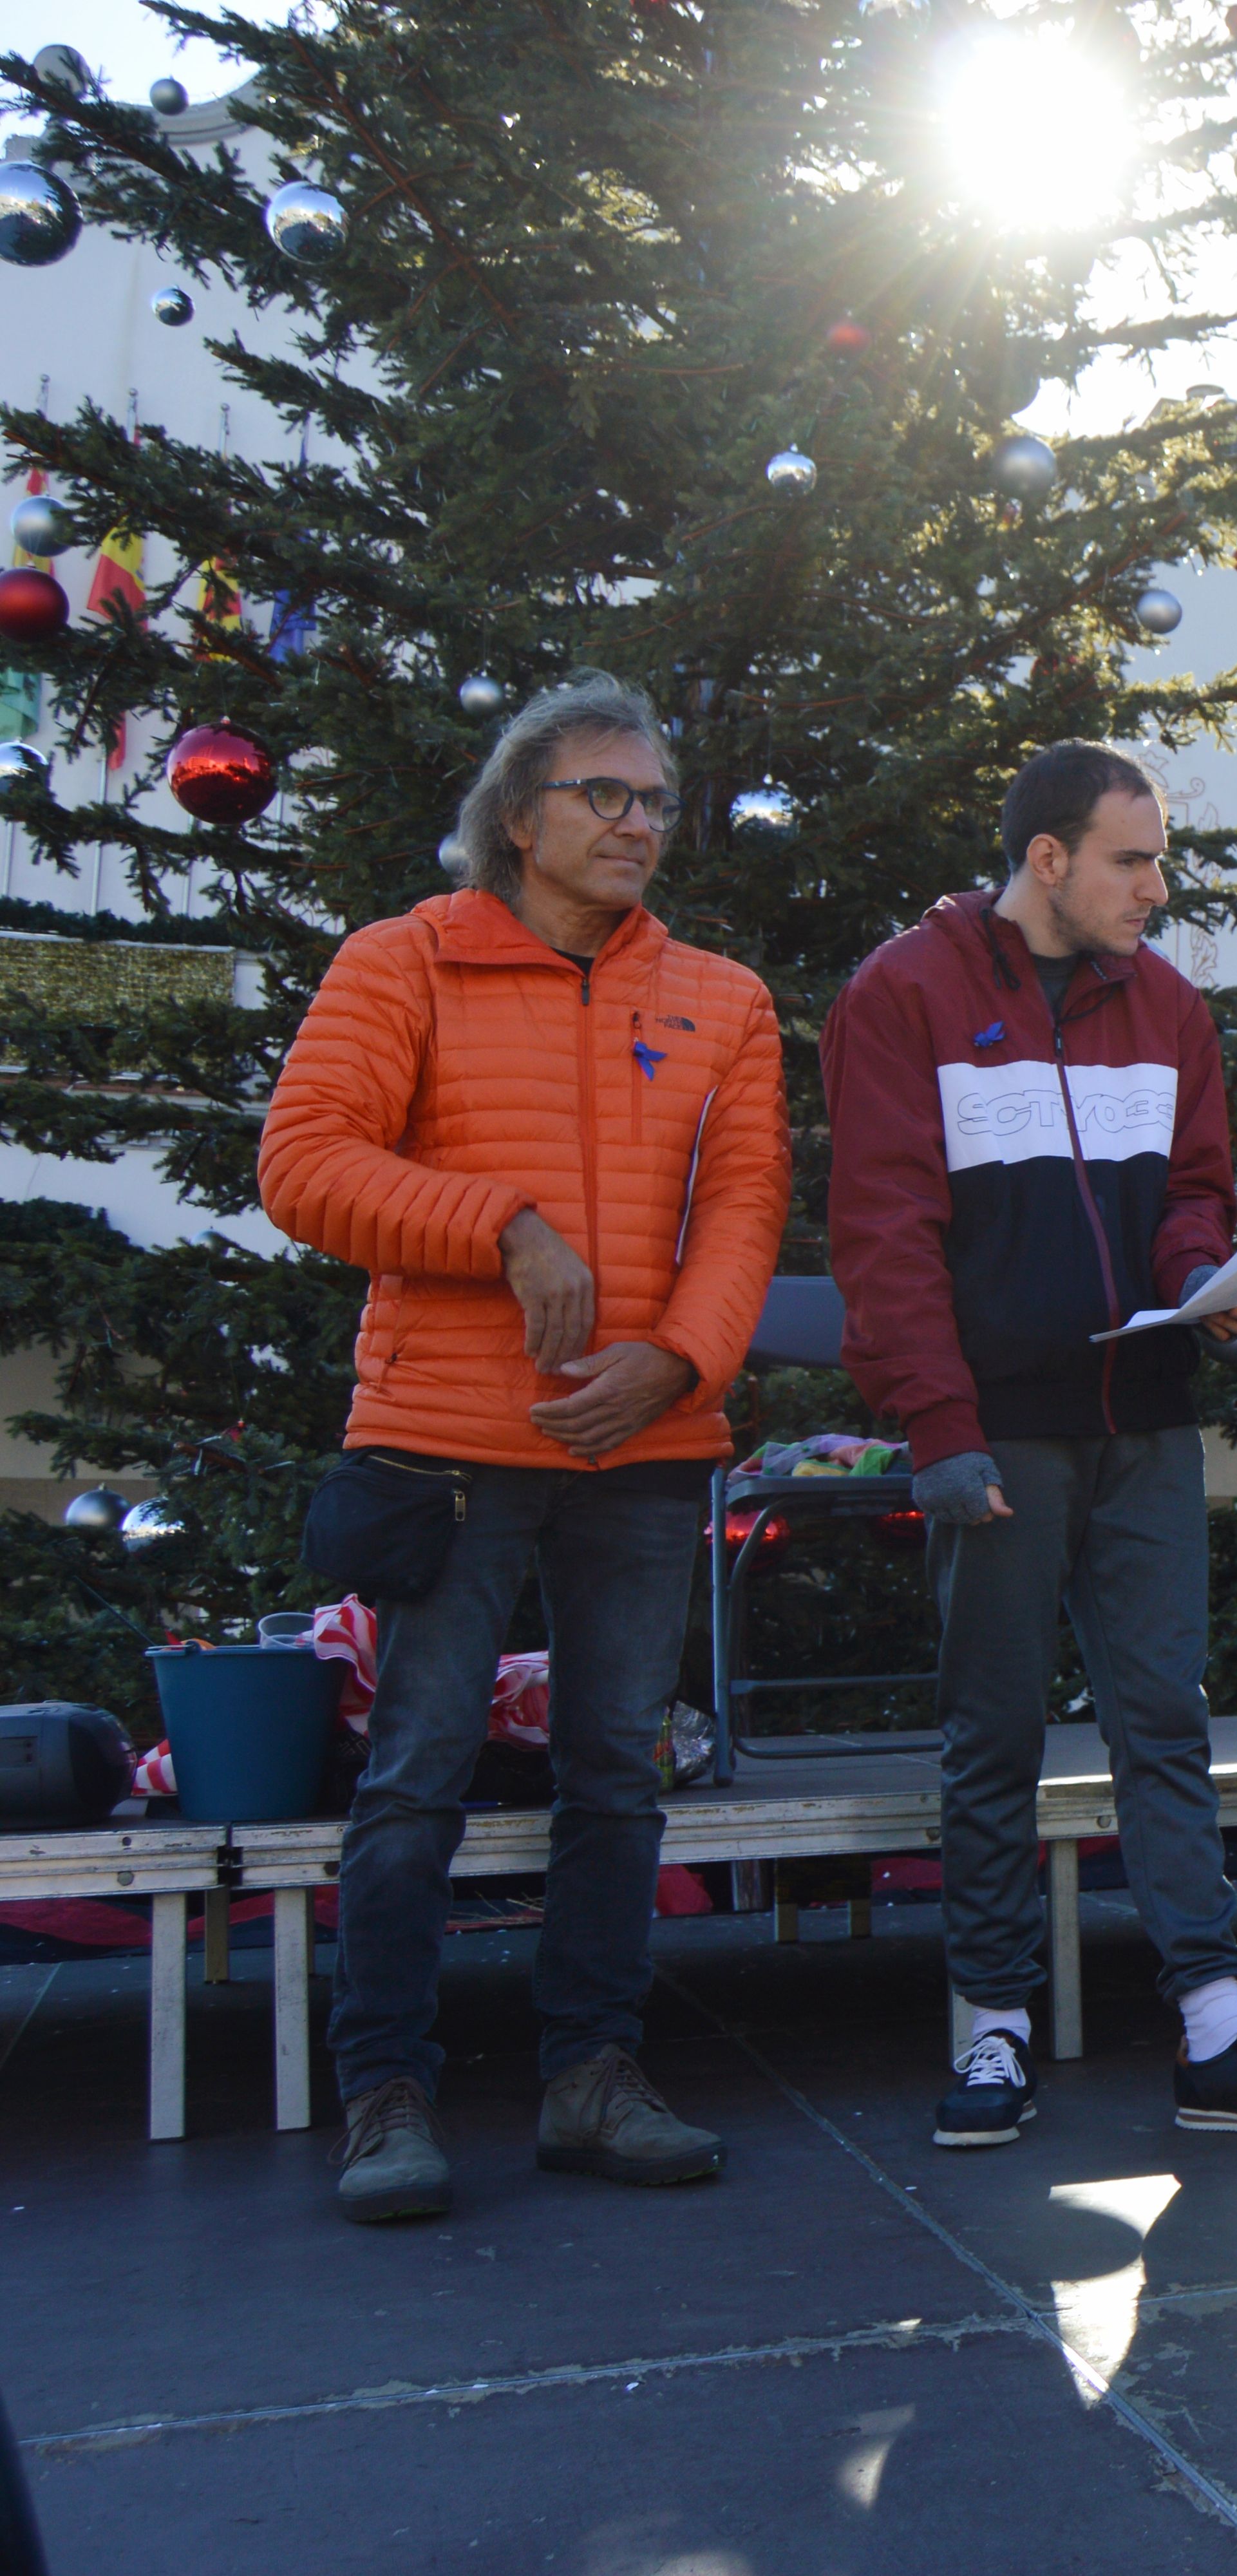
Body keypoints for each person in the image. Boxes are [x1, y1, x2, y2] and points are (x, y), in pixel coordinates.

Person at [260, 674, 790, 2224]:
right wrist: (497, 1222)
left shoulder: (724, 997)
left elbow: (746, 1206)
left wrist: (680, 1357)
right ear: (517, 816)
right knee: (415, 1772)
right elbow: (301, 1165)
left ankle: (590, 2079)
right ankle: (386, 2095)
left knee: (617, 1775)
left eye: (653, 802)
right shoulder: (400, 960)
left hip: (647, 1439)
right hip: (445, 1442)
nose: (637, 823)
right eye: (602, 796)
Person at [827, 741, 1237, 2152]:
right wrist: (936, 1428)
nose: (1157, 887)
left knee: (1163, 1724)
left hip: (1144, 1426)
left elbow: (1191, 1189)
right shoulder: (903, 995)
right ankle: (990, 2027)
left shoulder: (1168, 1004)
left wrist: (1215, 1280)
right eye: (1133, 859)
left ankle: (1214, 2025)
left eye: (1162, 856)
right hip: (994, 1430)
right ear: (1046, 859)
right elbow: (881, 1235)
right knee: (991, 1736)